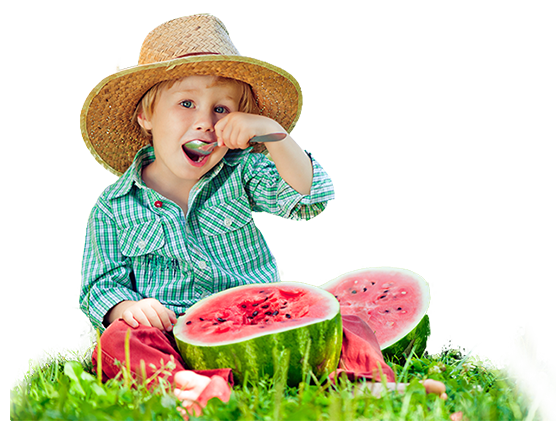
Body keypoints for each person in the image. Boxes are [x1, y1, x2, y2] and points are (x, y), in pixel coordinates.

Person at [79, 15, 448, 419]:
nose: (205, 121)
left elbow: (310, 198)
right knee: (118, 341)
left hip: (268, 325)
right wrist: (125, 309)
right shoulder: (113, 207)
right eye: (186, 104)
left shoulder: (244, 170)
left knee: (344, 318)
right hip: (174, 336)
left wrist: (274, 135)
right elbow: (99, 285)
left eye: (221, 108)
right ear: (146, 117)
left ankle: (369, 384)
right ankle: (188, 386)